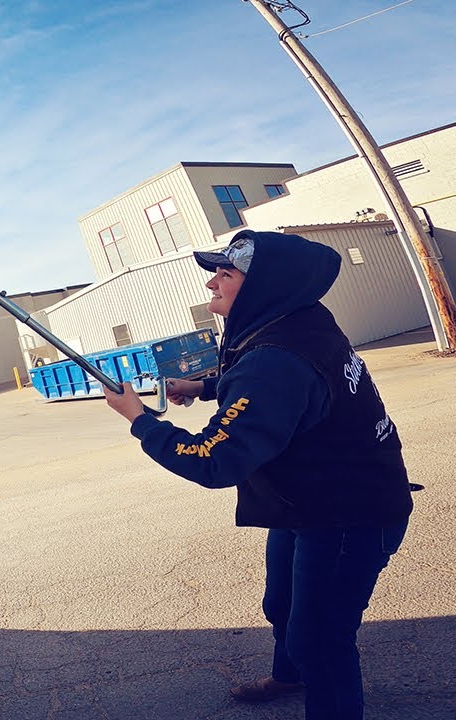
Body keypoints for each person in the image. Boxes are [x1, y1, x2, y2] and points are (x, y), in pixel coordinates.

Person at [103, 229, 413, 720]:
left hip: (348, 514)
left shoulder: (275, 360)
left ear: (262, 287)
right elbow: (278, 381)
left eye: (224, 274)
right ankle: (289, 675)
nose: (212, 285)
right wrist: (204, 386)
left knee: (322, 639)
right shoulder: (297, 321)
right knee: (283, 604)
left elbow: (212, 458)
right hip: (307, 502)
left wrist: (140, 420)